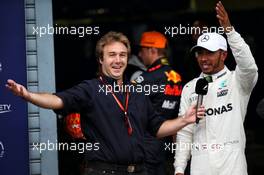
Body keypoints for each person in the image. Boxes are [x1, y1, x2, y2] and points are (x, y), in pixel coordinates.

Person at [6, 31, 205, 175]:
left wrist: (185, 119)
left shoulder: (136, 92)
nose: (117, 60)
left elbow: (157, 128)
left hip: (139, 170)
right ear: (100, 59)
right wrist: (29, 95)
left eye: (122, 55)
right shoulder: (90, 89)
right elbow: (58, 100)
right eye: (111, 55)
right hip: (102, 171)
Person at [174, 1, 258, 175]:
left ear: (224, 54)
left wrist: (229, 31)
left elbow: (249, 66)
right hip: (200, 165)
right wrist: (179, 169)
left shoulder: (238, 81)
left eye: (210, 52)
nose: (203, 58)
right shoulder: (190, 88)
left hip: (232, 165)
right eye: (200, 52)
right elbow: (184, 132)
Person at [133, 31, 182, 175]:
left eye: (142, 50)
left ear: (152, 50)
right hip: (163, 146)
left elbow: (125, 105)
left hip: (142, 146)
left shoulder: (147, 78)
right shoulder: (176, 77)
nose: (140, 55)